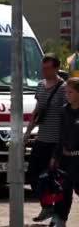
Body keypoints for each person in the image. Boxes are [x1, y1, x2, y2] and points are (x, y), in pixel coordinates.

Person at [25, 54, 66, 222]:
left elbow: (67, 115)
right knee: (33, 175)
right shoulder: (40, 86)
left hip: (56, 142)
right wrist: (27, 133)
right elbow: (37, 112)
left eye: (47, 68)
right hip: (41, 139)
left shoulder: (64, 88)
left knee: (54, 178)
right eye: (42, 68)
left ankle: (57, 213)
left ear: (56, 68)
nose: (44, 71)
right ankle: (47, 206)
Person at [50, 77, 79, 227]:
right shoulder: (64, 110)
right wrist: (55, 156)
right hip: (65, 159)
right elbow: (61, 136)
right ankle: (60, 221)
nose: (67, 95)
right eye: (66, 92)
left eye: (70, 92)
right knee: (64, 192)